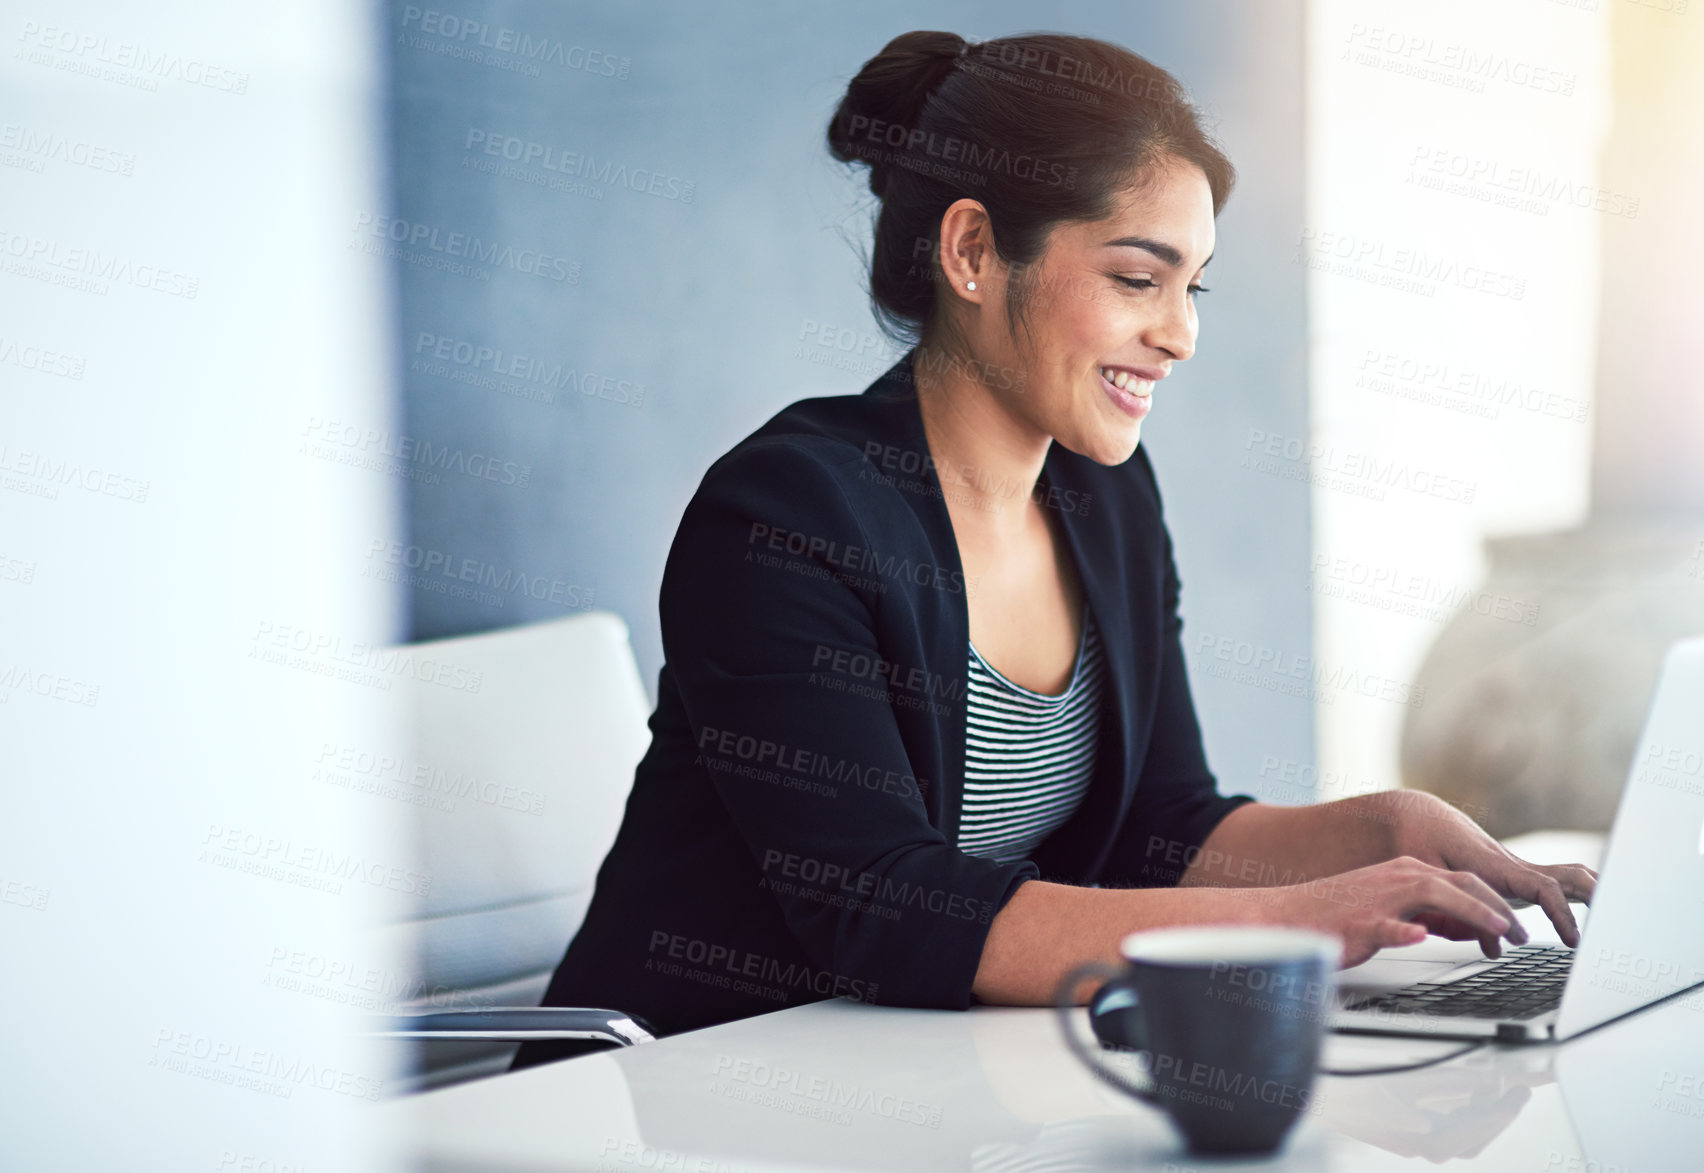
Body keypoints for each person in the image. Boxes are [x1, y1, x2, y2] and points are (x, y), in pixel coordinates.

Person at [513, 30, 1596, 1069]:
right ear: (975, 252)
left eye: (1193, 286)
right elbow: (883, 908)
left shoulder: (1104, 497)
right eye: (1139, 279)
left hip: (928, 1081)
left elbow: (1160, 830)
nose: (1181, 333)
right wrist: (1296, 922)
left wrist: (1384, 832)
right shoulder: (784, 516)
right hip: (677, 1097)